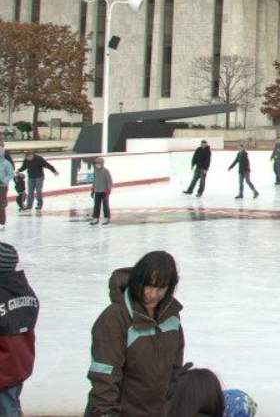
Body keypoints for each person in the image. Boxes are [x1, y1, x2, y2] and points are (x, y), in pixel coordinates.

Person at [86, 251, 184, 417]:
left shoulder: (171, 316)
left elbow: (175, 368)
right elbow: (104, 377)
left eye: (160, 288)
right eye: (149, 285)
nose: (152, 294)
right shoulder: (115, 318)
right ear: (138, 281)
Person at [0, 243, 37, 416]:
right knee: (10, 404)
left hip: (5, 369)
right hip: (18, 364)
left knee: (7, 408)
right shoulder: (23, 289)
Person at [90, 157, 113, 226]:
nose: (97, 165)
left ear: (102, 164)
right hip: (97, 191)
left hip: (104, 191)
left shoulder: (106, 171)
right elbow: (94, 181)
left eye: (98, 163)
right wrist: (93, 189)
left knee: (105, 205)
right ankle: (95, 218)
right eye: (96, 164)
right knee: (96, 205)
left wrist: (108, 190)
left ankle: (107, 218)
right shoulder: (95, 171)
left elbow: (109, 181)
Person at [0, 155, 11, 230]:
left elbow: (11, 174)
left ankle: (1, 222)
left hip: (2, 186)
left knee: (1, 204)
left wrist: (4, 181)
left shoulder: (6, 162)